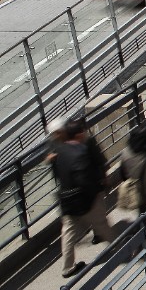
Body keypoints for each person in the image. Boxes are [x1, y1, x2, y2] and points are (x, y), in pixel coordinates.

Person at [49, 116, 115, 278]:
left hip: (67, 200)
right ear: (78, 135)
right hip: (85, 199)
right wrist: (97, 190)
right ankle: (119, 248)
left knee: (68, 233)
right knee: (101, 223)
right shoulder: (80, 152)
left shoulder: (58, 151)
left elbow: (57, 172)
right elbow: (86, 179)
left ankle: (67, 267)